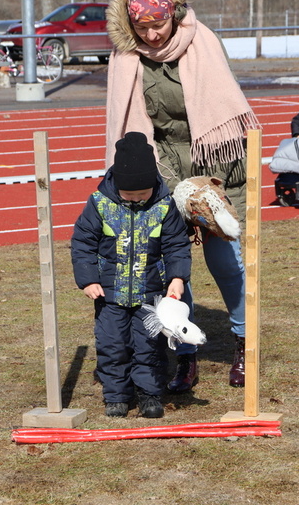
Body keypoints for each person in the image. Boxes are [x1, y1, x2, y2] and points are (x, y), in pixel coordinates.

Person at [105, 0, 260, 391]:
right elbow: (136, 134)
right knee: (173, 269)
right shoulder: (125, 58)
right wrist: (174, 186)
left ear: (172, 12)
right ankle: (185, 356)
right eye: (143, 28)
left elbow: (224, 114)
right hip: (162, 168)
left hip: (217, 161)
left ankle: (245, 344)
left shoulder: (203, 41)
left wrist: (206, 187)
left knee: (226, 263)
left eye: (158, 24)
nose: (152, 35)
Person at [71, 131, 191, 418]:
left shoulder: (163, 206)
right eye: (130, 194)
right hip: (110, 294)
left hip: (150, 292)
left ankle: (149, 394)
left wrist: (177, 277)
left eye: (143, 194)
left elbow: (176, 244)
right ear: (118, 186)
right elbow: (83, 242)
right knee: (113, 346)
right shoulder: (100, 204)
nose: (137, 199)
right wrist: (88, 279)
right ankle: (116, 396)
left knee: (149, 346)